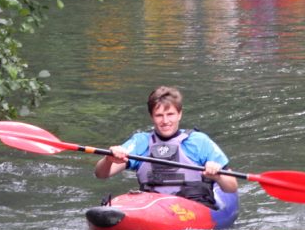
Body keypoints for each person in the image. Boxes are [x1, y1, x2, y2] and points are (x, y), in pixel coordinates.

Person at [94, 86, 238, 206]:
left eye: (170, 114)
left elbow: (232, 186)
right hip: (154, 208)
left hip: (195, 206)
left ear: (179, 114)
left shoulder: (199, 141)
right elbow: (101, 174)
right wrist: (109, 159)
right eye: (159, 115)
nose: (165, 121)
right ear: (152, 116)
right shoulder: (141, 142)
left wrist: (218, 176)